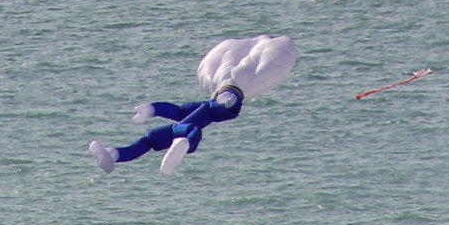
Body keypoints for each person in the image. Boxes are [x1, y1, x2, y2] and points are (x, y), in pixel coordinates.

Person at [88, 35, 297, 176]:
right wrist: (152, 109)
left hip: (211, 112)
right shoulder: (205, 108)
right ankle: (113, 154)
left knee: (162, 138)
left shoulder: (220, 103)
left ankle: (175, 146)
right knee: (152, 140)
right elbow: (178, 111)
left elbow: (185, 110)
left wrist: (229, 98)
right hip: (188, 125)